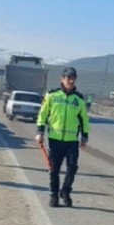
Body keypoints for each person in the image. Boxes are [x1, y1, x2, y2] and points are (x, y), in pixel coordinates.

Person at [36, 66, 90, 208]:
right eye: (68, 77)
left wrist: (85, 136)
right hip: (55, 139)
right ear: (62, 78)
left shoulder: (78, 99)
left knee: (72, 168)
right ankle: (54, 195)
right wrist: (40, 132)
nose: (71, 80)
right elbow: (43, 114)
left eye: (73, 78)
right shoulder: (52, 95)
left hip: (72, 141)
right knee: (54, 169)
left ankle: (65, 191)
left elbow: (84, 119)